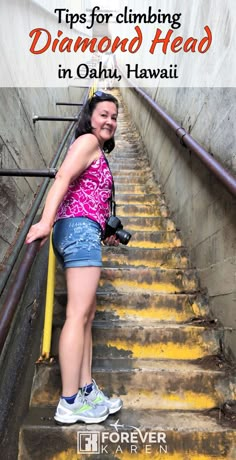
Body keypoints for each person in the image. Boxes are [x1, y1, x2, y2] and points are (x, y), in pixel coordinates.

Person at [26, 91, 122, 425]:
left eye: (114, 117)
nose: (109, 121)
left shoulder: (95, 149)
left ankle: (85, 388)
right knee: (77, 314)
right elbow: (63, 177)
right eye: (103, 115)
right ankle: (69, 401)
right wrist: (44, 222)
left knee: (86, 315)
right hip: (78, 230)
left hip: (86, 230)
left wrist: (104, 228)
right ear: (89, 117)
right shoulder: (85, 141)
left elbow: (87, 191)